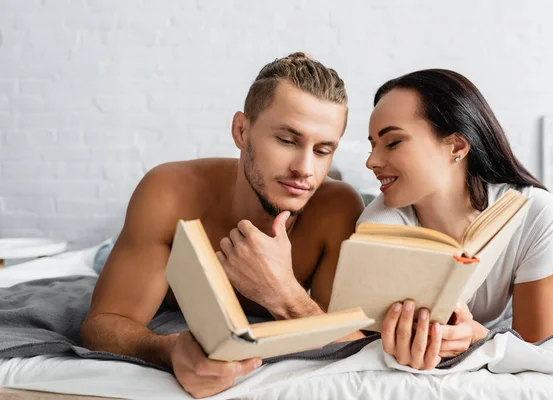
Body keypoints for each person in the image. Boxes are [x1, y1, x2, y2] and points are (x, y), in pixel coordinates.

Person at [80, 52, 365, 398]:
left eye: (322, 150)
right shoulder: (168, 192)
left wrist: (284, 294)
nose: (305, 169)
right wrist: (168, 349)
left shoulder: (339, 209)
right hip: (144, 255)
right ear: (241, 131)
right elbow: (103, 322)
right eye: (288, 140)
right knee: (99, 258)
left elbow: (354, 344)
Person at [360, 69, 553, 370]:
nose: (371, 161)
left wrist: (481, 338)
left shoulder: (536, 214)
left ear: (457, 146)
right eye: (372, 144)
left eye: (393, 142)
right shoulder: (379, 225)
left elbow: (536, 346)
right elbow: (384, 333)